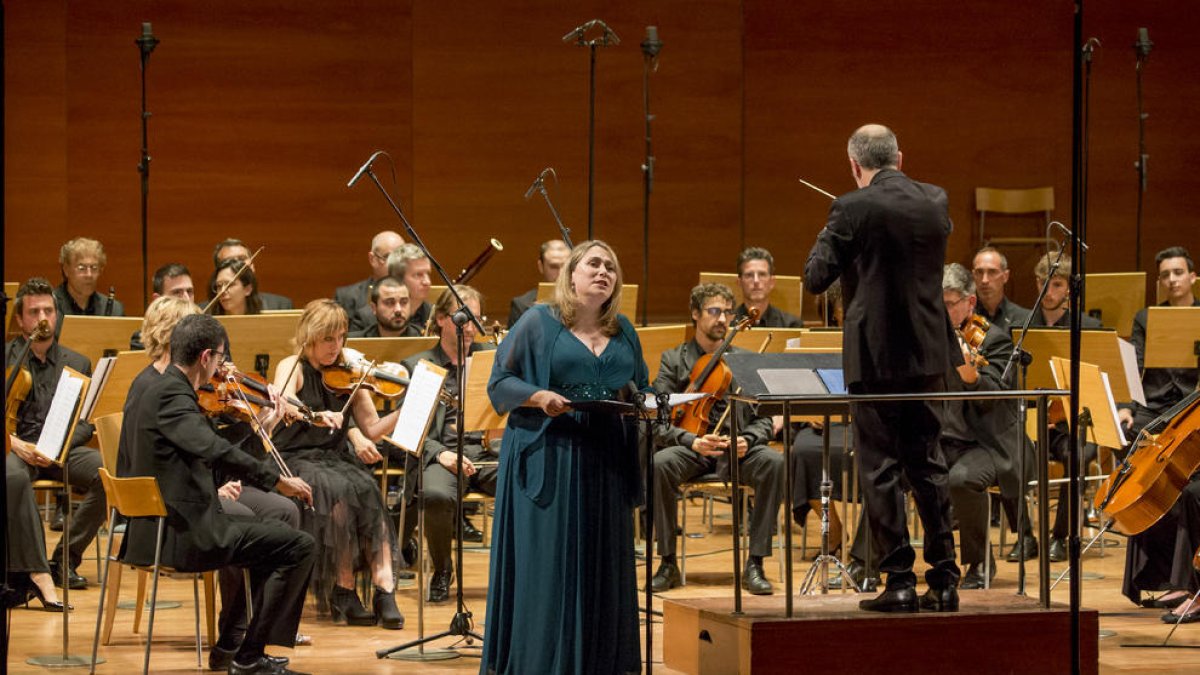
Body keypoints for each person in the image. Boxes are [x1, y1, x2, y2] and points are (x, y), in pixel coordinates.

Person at [804, 123, 961, 613]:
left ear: (854, 165)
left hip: (875, 357)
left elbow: (815, 278)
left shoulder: (850, 207)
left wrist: (833, 234)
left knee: (881, 470)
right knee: (928, 464)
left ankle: (897, 581)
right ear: (900, 155)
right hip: (929, 354)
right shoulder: (936, 200)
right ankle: (945, 579)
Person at [482, 240, 647, 674]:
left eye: (610, 266)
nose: (603, 272)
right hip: (550, 456)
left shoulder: (624, 329)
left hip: (606, 458)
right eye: (593, 264)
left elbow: (642, 389)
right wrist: (538, 396)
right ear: (570, 275)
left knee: (602, 565)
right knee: (551, 569)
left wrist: (652, 404)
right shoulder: (539, 321)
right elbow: (500, 382)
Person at [122, 313, 314, 675]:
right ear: (206, 357)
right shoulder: (172, 397)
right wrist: (278, 481)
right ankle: (247, 656)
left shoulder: (168, 390)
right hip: (179, 535)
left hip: (168, 524)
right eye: (221, 358)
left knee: (274, 538)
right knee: (299, 546)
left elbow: (211, 449)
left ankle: (241, 648)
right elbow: (215, 449)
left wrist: (262, 426)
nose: (223, 368)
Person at [271, 300, 404, 629]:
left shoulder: (350, 372)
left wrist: (406, 411)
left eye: (341, 337)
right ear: (309, 337)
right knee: (339, 492)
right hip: (295, 458)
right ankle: (343, 589)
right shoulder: (293, 366)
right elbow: (287, 401)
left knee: (368, 489)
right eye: (328, 339)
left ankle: (384, 589)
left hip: (332, 458)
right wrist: (313, 415)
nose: (336, 346)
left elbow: (372, 429)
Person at [648, 282, 785, 596]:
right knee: (659, 464)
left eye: (727, 311)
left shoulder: (746, 360)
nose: (722, 318)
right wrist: (690, 441)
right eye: (714, 311)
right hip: (693, 448)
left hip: (736, 448)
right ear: (695, 314)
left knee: (774, 462)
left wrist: (748, 440)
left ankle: (756, 562)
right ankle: (667, 562)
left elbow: (766, 417)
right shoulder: (674, 360)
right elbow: (659, 418)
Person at [939, 263, 1037, 588]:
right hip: (942, 441)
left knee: (962, 480)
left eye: (950, 303)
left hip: (986, 444)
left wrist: (972, 377)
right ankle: (866, 562)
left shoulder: (992, 340)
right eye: (937, 303)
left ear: (969, 303)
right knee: (890, 468)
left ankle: (979, 563)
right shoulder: (930, 338)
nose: (942, 310)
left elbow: (994, 396)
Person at [399, 285, 498, 603]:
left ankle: (518, 571)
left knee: (529, 480)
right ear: (441, 318)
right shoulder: (419, 365)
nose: (472, 328)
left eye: (477, 320)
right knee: (436, 494)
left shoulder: (492, 362)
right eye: (464, 319)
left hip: (486, 452)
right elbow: (410, 430)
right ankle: (442, 569)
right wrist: (440, 454)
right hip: (442, 453)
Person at [6, 278, 105, 591]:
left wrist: (58, 447)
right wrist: (16, 444)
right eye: (34, 312)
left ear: (57, 314)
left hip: (61, 451)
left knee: (109, 472)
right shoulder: (7, 359)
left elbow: (87, 422)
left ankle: (64, 559)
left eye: (48, 310)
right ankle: (35, 571)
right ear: (20, 319)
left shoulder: (77, 363)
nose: (43, 318)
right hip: (16, 449)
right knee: (14, 478)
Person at [1026, 251, 1103, 561]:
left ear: (1069, 289)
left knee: (1078, 456)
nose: (1048, 291)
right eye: (1043, 283)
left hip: (1070, 426)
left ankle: (1061, 536)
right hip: (1032, 423)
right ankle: (1026, 536)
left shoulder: (1089, 327)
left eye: (1056, 284)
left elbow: (1097, 385)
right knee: (1005, 455)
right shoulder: (1024, 326)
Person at [1118, 246, 1198, 438]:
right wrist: (1126, 408)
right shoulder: (1145, 317)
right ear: (1160, 282)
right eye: (1165, 275)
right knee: (1121, 432)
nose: (1172, 279)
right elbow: (1134, 364)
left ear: (1192, 277)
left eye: (1178, 273)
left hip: (1193, 406)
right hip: (1154, 406)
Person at [334, 230, 405, 333]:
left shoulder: (416, 297)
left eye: (400, 258)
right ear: (372, 259)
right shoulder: (346, 298)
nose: (395, 264)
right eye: (388, 257)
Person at [52, 237, 124, 332]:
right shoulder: (49, 307)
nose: (89, 275)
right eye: (82, 268)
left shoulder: (115, 309)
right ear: (66, 270)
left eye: (94, 268)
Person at [130, 263, 196, 350]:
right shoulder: (143, 341)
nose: (186, 298)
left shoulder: (205, 334)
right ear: (158, 300)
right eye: (176, 292)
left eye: (189, 291)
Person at [213, 238, 294, 310]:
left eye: (242, 259)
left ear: (252, 265)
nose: (240, 266)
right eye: (230, 261)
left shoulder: (281, 306)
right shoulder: (204, 313)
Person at [733, 247, 802, 328]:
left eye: (762, 274)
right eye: (749, 275)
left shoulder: (791, 325)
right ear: (739, 282)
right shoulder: (728, 323)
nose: (756, 281)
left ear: (772, 282)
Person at [507, 239, 570, 328]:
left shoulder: (586, 302)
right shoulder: (522, 305)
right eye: (553, 267)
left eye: (566, 266)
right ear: (541, 266)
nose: (561, 273)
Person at [971, 246, 1030, 332]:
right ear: (973, 275)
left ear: (1005, 276)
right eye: (979, 272)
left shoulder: (1024, 319)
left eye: (992, 272)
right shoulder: (963, 316)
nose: (984, 280)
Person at [387, 243, 434, 332]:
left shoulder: (437, 316)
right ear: (397, 279)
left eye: (427, 273)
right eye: (418, 275)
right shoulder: (368, 318)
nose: (427, 282)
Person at [348, 276, 412, 338]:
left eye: (404, 302)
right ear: (374, 308)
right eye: (389, 303)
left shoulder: (421, 338)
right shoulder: (355, 342)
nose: (398, 309)